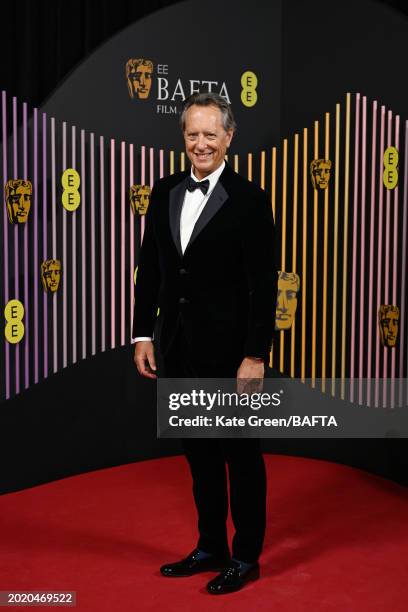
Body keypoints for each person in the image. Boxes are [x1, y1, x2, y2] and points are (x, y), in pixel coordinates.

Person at [133, 92, 278, 595]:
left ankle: (245, 556)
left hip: (232, 354)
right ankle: (210, 545)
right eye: (192, 134)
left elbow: (264, 286)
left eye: (210, 135)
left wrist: (255, 355)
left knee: (239, 456)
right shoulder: (165, 189)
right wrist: (143, 334)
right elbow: (151, 268)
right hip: (177, 347)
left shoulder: (252, 201)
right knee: (198, 454)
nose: (200, 144)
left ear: (228, 137)